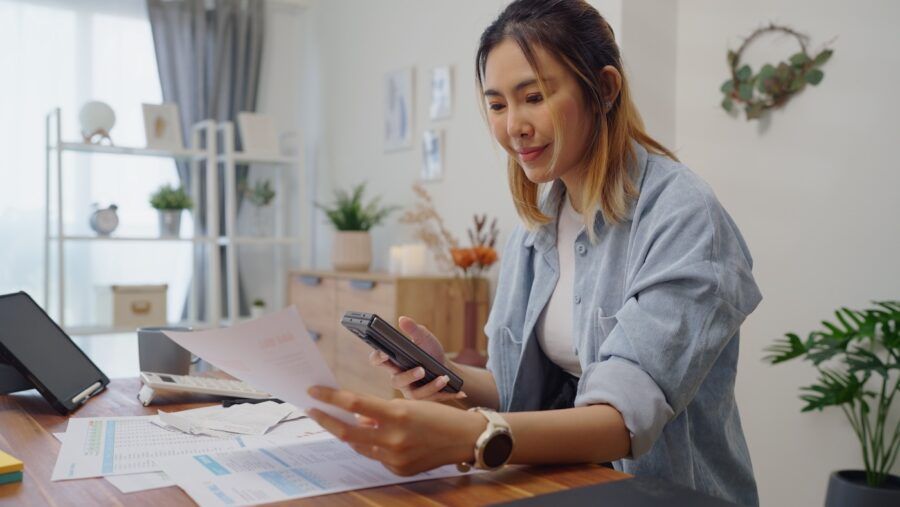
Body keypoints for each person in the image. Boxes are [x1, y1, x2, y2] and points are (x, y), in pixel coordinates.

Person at [306, 0, 762, 505]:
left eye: (534, 97)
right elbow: (516, 388)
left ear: (604, 90)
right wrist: (447, 375)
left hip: (664, 494)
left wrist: (470, 435)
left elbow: (621, 420)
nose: (513, 126)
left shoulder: (684, 216)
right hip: (564, 483)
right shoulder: (536, 229)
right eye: (498, 105)